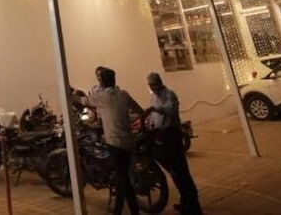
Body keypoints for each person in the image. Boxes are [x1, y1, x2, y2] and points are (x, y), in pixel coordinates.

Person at [86, 66, 143, 214]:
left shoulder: (102, 97)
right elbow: (139, 111)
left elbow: (84, 100)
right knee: (121, 176)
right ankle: (118, 209)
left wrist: (69, 93)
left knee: (123, 178)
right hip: (128, 142)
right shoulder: (123, 94)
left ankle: (133, 210)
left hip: (114, 142)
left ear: (102, 81)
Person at [144, 72, 202, 215]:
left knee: (181, 171)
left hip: (172, 136)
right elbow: (154, 117)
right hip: (162, 136)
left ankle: (193, 205)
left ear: (160, 82)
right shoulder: (153, 97)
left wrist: (155, 109)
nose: (153, 88)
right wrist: (150, 122)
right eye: (150, 85)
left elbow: (171, 110)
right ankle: (185, 201)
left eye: (154, 85)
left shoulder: (169, 94)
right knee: (174, 172)